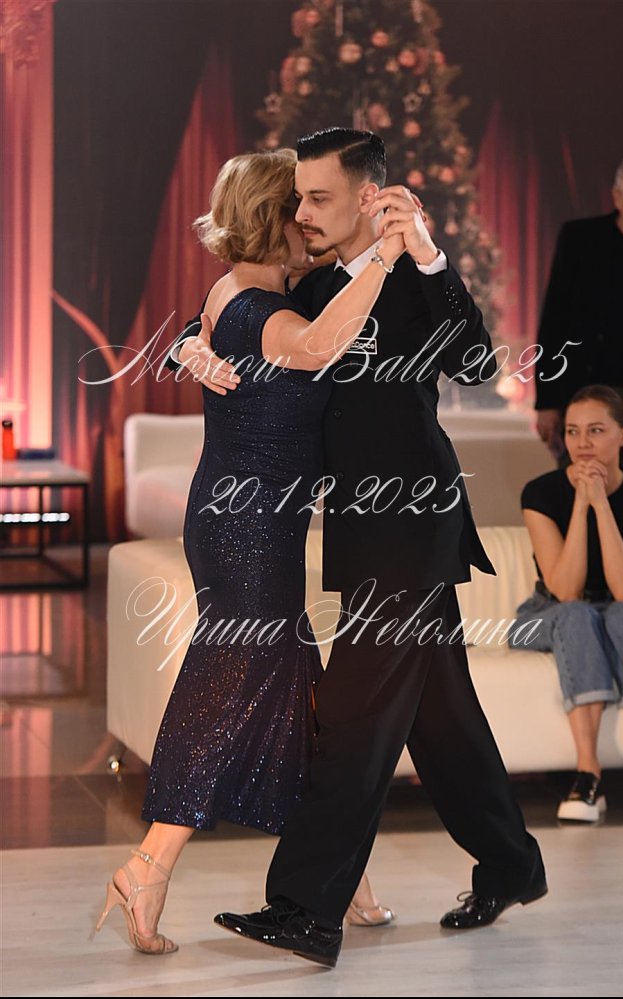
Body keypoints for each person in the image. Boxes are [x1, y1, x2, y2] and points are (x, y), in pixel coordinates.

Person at [169, 128, 548, 970]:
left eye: (318, 198)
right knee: (442, 719)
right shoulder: (311, 282)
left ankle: (306, 908)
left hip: (410, 523)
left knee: (352, 714)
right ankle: (513, 864)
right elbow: (231, 314)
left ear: (368, 197)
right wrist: (187, 345)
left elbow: (474, 360)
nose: (302, 212)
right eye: (298, 198)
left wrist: (431, 255)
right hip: (365, 526)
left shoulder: (410, 273)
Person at [94, 147, 407, 954]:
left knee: (303, 699)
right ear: (277, 215)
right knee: (225, 688)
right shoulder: (257, 308)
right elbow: (317, 347)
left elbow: (213, 333)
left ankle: (341, 877)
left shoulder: (246, 293)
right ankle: (148, 863)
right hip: (248, 530)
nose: (310, 217)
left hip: (250, 523)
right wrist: (383, 254)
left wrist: (185, 346)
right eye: (300, 205)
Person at [509, 384, 623, 822]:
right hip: (548, 614)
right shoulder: (540, 494)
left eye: (596, 430)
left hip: (618, 611)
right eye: (573, 431)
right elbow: (565, 591)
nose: (582, 443)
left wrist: (602, 505)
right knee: (578, 614)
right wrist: (581, 507)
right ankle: (587, 776)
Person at [534, 153, 623, 502]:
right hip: (582, 389)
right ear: (617, 197)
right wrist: (547, 401)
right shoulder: (581, 238)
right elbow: (555, 319)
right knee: (581, 494)